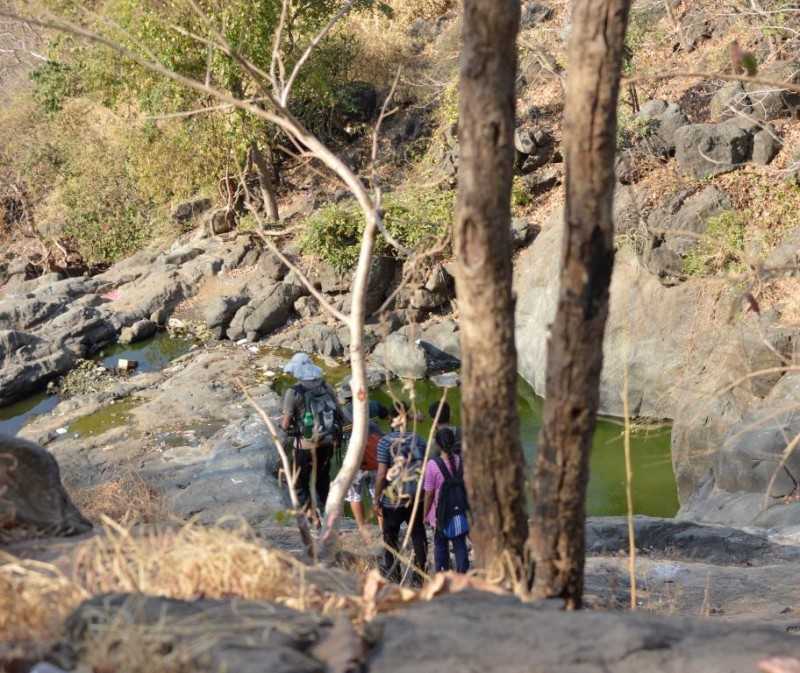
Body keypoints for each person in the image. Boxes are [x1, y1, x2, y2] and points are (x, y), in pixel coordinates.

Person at [280, 355, 344, 520]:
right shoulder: (325, 386)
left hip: (305, 446)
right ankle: (327, 513)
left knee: (300, 482)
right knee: (322, 479)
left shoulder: (293, 392)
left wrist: (282, 427)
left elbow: (286, 424)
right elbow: (339, 413)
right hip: (327, 442)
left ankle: (310, 517)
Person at [373, 401, 428, 585]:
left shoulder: (385, 442)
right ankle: (419, 575)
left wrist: (376, 498)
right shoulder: (419, 439)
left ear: (390, 418)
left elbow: (381, 474)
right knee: (418, 534)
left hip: (393, 499)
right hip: (416, 497)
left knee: (390, 537)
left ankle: (394, 574)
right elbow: (425, 468)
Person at [338, 386, 388, 538]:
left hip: (355, 461)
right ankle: (383, 528)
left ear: (344, 398)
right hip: (375, 459)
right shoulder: (368, 405)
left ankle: (362, 529)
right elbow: (385, 412)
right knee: (378, 494)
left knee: (354, 495)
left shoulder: (340, 413)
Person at [423, 426, 470, 574]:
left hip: (440, 515)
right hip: (459, 511)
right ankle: (462, 575)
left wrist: (424, 514)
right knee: (460, 544)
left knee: (441, 545)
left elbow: (429, 494)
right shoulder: (461, 460)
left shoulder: (432, 465)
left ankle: (442, 575)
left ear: (437, 445)